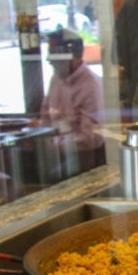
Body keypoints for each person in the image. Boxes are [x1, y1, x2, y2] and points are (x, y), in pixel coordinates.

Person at [41, 27, 106, 175]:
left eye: (55, 54)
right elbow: (45, 115)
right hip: (56, 156)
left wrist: (56, 144)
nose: (49, 60)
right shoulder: (56, 79)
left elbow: (91, 138)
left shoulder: (91, 85)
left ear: (73, 56)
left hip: (85, 162)